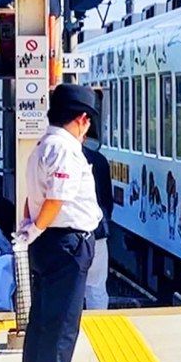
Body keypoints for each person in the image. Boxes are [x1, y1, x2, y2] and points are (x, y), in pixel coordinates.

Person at [17, 83, 102, 362]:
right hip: (67, 245)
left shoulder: (43, 146)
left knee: (42, 324)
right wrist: (37, 228)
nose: (87, 128)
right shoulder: (65, 149)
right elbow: (56, 198)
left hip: (51, 244)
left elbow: (33, 199)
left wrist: (32, 229)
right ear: (81, 118)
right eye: (88, 121)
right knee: (61, 328)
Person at [83, 129, 113, 310]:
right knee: (96, 287)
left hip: (67, 235)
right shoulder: (99, 160)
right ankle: (98, 328)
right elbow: (108, 201)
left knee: (70, 290)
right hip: (97, 232)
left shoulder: (55, 158)